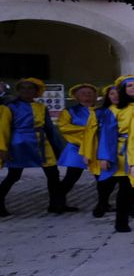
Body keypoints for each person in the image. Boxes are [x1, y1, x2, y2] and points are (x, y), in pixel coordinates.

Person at [0, 77, 69, 216]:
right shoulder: (9, 107)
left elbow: (49, 128)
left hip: (41, 143)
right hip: (19, 143)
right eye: (23, 88)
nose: (26, 91)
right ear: (18, 90)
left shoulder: (41, 107)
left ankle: (56, 204)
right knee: (14, 175)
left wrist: (58, 147)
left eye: (30, 88)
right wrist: (2, 148)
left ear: (36, 91)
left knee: (53, 173)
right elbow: (3, 128)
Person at [109, 75, 134, 233]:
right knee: (126, 188)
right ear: (123, 90)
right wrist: (105, 156)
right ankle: (121, 221)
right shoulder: (115, 109)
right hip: (123, 152)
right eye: (130, 85)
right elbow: (107, 135)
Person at [52, 82, 99, 212]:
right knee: (71, 177)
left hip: (96, 148)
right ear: (76, 96)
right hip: (77, 147)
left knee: (102, 178)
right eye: (83, 93)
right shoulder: (69, 111)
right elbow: (64, 127)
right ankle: (57, 204)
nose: (87, 95)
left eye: (90, 93)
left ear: (95, 96)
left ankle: (104, 203)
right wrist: (87, 130)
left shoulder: (101, 110)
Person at [91, 83, 121, 217]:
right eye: (112, 93)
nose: (116, 96)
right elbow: (91, 134)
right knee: (105, 179)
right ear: (107, 96)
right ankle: (102, 204)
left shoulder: (131, 110)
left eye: (118, 93)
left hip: (125, 149)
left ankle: (130, 207)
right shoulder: (99, 112)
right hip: (104, 148)